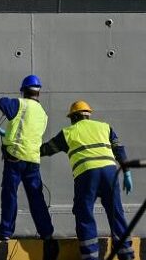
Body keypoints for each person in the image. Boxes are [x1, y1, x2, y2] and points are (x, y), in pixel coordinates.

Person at [40, 101, 134, 260]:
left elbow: (45, 150)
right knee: (116, 214)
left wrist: (21, 146)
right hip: (110, 174)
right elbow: (118, 148)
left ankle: (90, 256)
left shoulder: (68, 132)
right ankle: (127, 255)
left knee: (84, 215)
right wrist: (126, 172)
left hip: (86, 175)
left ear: (74, 117)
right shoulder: (105, 127)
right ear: (88, 115)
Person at [0, 75, 56, 253]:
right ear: (38, 93)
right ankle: (47, 233)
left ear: (24, 90)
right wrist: (7, 133)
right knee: (36, 198)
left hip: (14, 159)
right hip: (33, 161)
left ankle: (5, 232)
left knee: (10, 194)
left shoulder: (20, 104)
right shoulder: (43, 114)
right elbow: (27, 133)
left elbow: (1, 102)